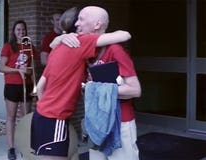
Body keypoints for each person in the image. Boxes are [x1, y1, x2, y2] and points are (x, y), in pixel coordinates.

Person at [30, 7, 131, 160]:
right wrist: (56, 109)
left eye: (81, 20)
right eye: (78, 20)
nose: (79, 24)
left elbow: (41, 86)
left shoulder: (56, 49)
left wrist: (48, 107)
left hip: (40, 116)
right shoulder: (80, 42)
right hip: (55, 118)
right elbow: (125, 35)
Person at [58, 6, 142, 160]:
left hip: (120, 122)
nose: (76, 23)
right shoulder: (82, 50)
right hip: (95, 121)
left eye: (81, 19)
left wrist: (93, 88)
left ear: (97, 24)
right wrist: (61, 37)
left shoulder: (115, 50)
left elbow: (135, 90)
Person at [0, 20, 37, 160]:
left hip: (26, 85)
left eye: (23, 30)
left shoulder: (30, 46)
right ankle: (11, 148)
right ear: (14, 32)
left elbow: (32, 69)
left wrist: (33, 83)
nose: (21, 32)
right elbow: (1, 68)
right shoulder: (8, 47)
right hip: (12, 85)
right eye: (18, 30)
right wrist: (17, 70)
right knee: (11, 117)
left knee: (26, 117)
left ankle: (25, 145)